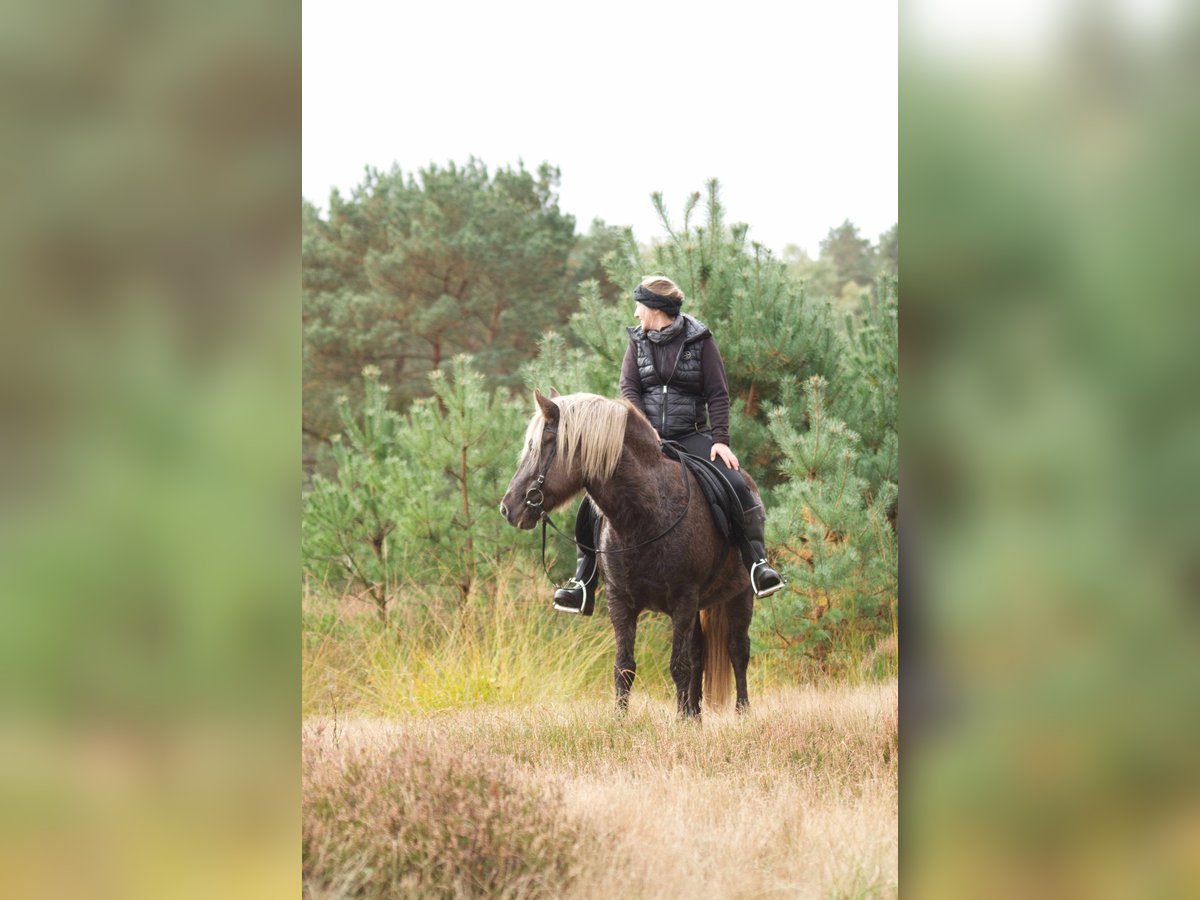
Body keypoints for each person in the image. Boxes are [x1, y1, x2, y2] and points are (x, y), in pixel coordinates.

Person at [553, 276, 784, 614]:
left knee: (736, 484)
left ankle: (757, 565)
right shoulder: (637, 341)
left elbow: (718, 394)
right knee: (594, 498)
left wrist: (720, 441)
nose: (635, 314)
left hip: (692, 434)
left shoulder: (701, 340)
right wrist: (646, 431)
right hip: (645, 441)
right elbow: (629, 388)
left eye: (639, 306)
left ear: (655, 308)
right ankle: (583, 581)